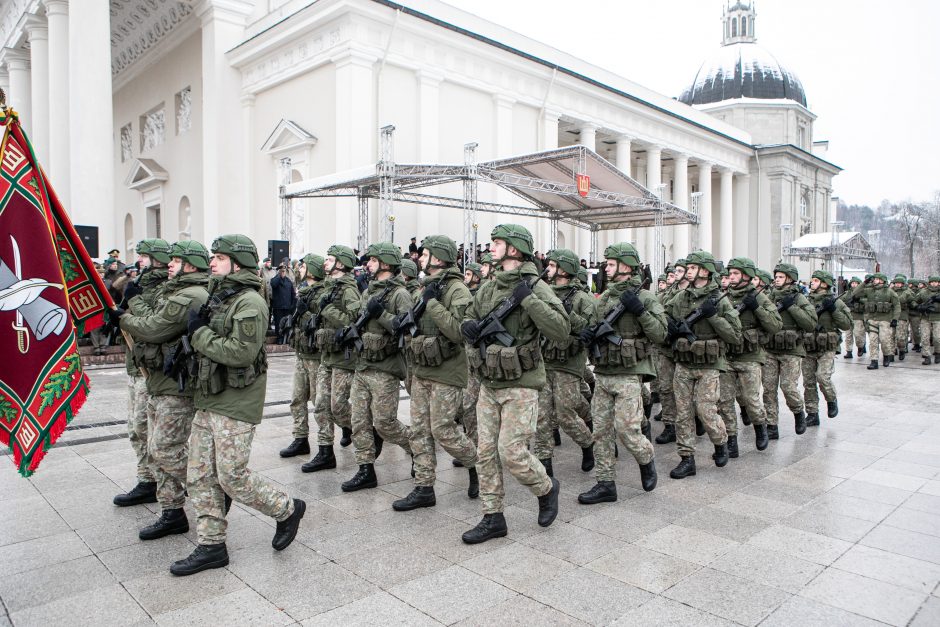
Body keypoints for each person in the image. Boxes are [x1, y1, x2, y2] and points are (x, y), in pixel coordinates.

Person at [170, 234, 305, 576]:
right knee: (200, 474)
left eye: (218, 257)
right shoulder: (222, 297)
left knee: (232, 477)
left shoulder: (249, 302)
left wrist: (199, 334)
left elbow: (240, 352)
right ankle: (212, 545)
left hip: (236, 399)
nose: (211, 262)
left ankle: (287, 509)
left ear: (237, 262)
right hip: (210, 396)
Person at [460, 224, 569, 543]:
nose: (491, 247)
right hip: (489, 383)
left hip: (522, 384)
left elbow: (562, 329)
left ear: (514, 249)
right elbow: (470, 311)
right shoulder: (490, 285)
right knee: (485, 452)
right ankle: (493, 517)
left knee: (512, 452)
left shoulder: (534, 285)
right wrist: (468, 324)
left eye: (497, 243)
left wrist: (530, 301)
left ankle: (546, 488)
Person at [116, 241, 211, 540]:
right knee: (157, 449)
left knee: (164, 448)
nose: (170, 263)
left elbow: (153, 327)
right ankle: (171, 511)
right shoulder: (174, 289)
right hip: (160, 379)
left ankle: (211, 490)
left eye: (177, 259)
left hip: (175, 383)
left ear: (192, 264)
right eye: (168, 259)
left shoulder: (192, 294)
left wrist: (124, 315)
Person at [393, 235, 480, 510]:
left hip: (447, 372)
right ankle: (424, 486)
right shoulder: (424, 288)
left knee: (443, 429)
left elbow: (458, 331)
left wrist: (431, 303)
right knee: (419, 430)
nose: (420, 257)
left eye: (426, 253)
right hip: (422, 370)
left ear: (439, 258)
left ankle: (476, 463)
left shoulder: (457, 290)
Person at [577, 243, 664, 503]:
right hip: (603, 371)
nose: (607, 267)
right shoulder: (605, 297)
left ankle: (646, 459)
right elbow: (593, 324)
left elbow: (660, 333)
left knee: (626, 429)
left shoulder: (646, 297)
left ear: (626, 265)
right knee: (601, 432)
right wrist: (588, 333)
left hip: (629, 372)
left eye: (612, 263)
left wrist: (639, 310)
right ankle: (605, 483)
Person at [340, 242, 415, 492]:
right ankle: (365, 469)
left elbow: (405, 329)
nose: (368, 264)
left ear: (385, 263)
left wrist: (381, 313)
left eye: (372, 260)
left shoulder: (399, 294)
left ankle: (416, 448)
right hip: (363, 366)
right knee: (359, 421)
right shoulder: (368, 291)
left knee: (385, 423)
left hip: (385, 368)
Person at [664, 251, 741, 479]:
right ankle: (687, 458)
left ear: (705, 271)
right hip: (684, 363)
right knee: (683, 412)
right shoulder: (682, 297)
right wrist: (674, 328)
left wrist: (714, 316)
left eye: (693, 267)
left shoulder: (720, 299)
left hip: (709, 364)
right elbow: (664, 318)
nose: (688, 270)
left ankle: (720, 442)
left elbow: (735, 335)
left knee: (706, 410)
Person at [111, 239, 172, 507]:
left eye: (145, 257)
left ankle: (159, 480)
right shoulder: (139, 282)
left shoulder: (164, 287)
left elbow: (152, 323)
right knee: (135, 429)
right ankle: (146, 478)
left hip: (150, 369)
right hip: (135, 364)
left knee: (146, 428)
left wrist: (133, 300)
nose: (140, 261)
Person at [534, 249, 596, 478]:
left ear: (564, 269)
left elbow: (590, 331)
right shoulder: (545, 292)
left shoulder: (582, 299)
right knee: (542, 417)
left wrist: (569, 314)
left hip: (569, 364)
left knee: (565, 414)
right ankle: (544, 462)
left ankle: (588, 444)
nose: (547, 269)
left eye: (552, 265)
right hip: (544, 361)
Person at [718, 257, 781, 455]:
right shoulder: (724, 296)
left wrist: (756, 308)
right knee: (725, 401)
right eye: (731, 273)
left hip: (750, 357)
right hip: (727, 357)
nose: (732, 276)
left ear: (747, 275)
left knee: (751, 399)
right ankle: (731, 440)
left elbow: (775, 325)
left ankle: (761, 428)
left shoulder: (759, 297)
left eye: (736, 273)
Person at [311, 245, 361, 458]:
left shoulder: (349, 290)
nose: (326, 263)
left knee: (338, 406)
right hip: (327, 355)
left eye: (330, 259)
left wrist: (327, 310)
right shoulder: (329, 287)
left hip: (343, 357)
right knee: (321, 405)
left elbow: (354, 323)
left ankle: (364, 430)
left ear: (341, 263)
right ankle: (325, 451)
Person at [280, 254, 329, 465]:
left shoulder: (324, 293)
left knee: (321, 405)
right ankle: (300, 438)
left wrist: (306, 315)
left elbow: (324, 323)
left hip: (317, 356)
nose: (300, 267)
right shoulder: (303, 291)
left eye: (304, 265)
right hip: (302, 354)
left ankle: (326, 447)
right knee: (297, 399)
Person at [763, 263, 817, 438]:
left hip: (791, 351)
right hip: (770, 349)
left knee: (788, 387)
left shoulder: (799, 298)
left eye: (780, 276)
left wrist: (791, 307)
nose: (776, 279)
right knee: (769, 388)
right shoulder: (769, 296)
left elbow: (810, 323)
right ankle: (771, 424)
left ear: (790, 279)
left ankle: (799, 412)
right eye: (776, 276)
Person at [802, 270, 852, 426]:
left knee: (822, 377)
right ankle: (812, 413)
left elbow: (846, 324)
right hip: (808, 345)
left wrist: (833, 310)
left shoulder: (835, 302)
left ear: (825, 284)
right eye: (812, 280)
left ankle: (831, 399)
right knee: (808, 381)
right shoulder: (805, 300)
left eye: (816, 280)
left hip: (827, 346)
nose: (812, 283)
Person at [654, 258, 688, 445]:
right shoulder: (666, 295)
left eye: (682, 271)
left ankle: (692, 421)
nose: (678, 274)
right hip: (667, 349)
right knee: (666, 388)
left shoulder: (695, 295)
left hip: (689, 351)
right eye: (677, 271)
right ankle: (670, 426)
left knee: (685, 391)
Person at [851, 273, 900, 369]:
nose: (874, 281)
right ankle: (874, 361)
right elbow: (855, 293)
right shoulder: (869, 290)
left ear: (882, 280)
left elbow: (897, 306)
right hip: (872, 319)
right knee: (873, 341)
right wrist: (864, 283)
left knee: (884, 340)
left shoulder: (890, 292)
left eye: (877, 279)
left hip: (885, 320)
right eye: (874, 279)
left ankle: (886, 355)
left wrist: (895, 319)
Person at [914, 275, 940, 365]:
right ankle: (926, 356)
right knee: (925, 337)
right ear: (929, 283)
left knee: (937, 338)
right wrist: (920, 307)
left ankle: (938, 353)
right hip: (925, 317)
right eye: (932, 282)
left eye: (936, 282)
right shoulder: (923, 292)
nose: (934, 284)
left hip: (938, 317)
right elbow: (914, 301)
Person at [840, 277, 867, 358]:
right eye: (852, 283)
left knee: (858, 334)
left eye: (856, 283)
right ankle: (849, 351)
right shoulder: (847, 293)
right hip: (848, 316)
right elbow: (841, 300)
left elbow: (868, 301)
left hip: (858, 316)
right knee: (848, 335)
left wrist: (860, 300)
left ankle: (860, 347)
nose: (854, 284)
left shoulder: (863, 292)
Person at [271, 264, 296, 344]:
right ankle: (279, 338)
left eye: (284, 271)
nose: (283, 272)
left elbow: (293, 293)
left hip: (287, 307)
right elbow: (274, 284)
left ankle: (286, 338)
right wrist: (279, 276)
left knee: (287, 323)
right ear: (278, 271)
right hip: (278, 307)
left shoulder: (288, 281)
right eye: (281, 270)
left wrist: (292, 304)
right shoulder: (275, 279)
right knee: (278, 324)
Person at [891, 274, 913, 360]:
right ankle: (891, 353)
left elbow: (903, 300)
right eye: (896, 283)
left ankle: (902, 349)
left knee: (901, 337)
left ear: (903, 284)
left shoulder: (907, 292)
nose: (898, 285)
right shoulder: (890, 291)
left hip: (902, 316)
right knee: (890, 336)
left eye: (900, 283)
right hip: (891, 315)